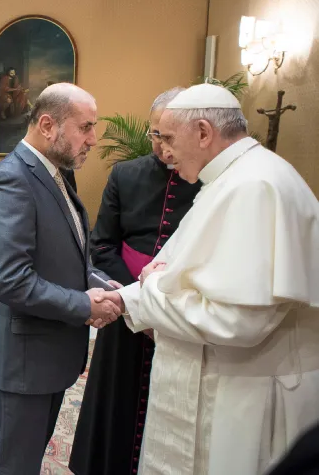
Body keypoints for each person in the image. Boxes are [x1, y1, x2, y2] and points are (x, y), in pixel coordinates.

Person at [102, 83, 319, 474]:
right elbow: (178, 275)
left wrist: (148, 292)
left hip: (246, 397)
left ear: (203, 132)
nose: (163, 151)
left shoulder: (256, 186)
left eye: (169, 138)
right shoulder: (230, 179)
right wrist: (127, 299)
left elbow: (237, 320)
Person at [0, 83, 122, 475]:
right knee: (14, 466)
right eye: (85, 127)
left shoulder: (56, 173)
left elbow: (66, 254)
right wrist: (83, 305)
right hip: (23, 362)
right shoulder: (10, 180)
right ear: (47, 125)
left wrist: (101, 283)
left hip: (46, 354)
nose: (93, 138)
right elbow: (11, 280)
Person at [69, 87, 202, 475]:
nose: (161, 145)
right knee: (118, 402)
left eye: (168, 136)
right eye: (154, 134)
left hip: (179, 313)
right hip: (125, 303)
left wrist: (160, 304)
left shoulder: (211, 182)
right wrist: (136, 301)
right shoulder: (125, 175)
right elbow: (102, 244)